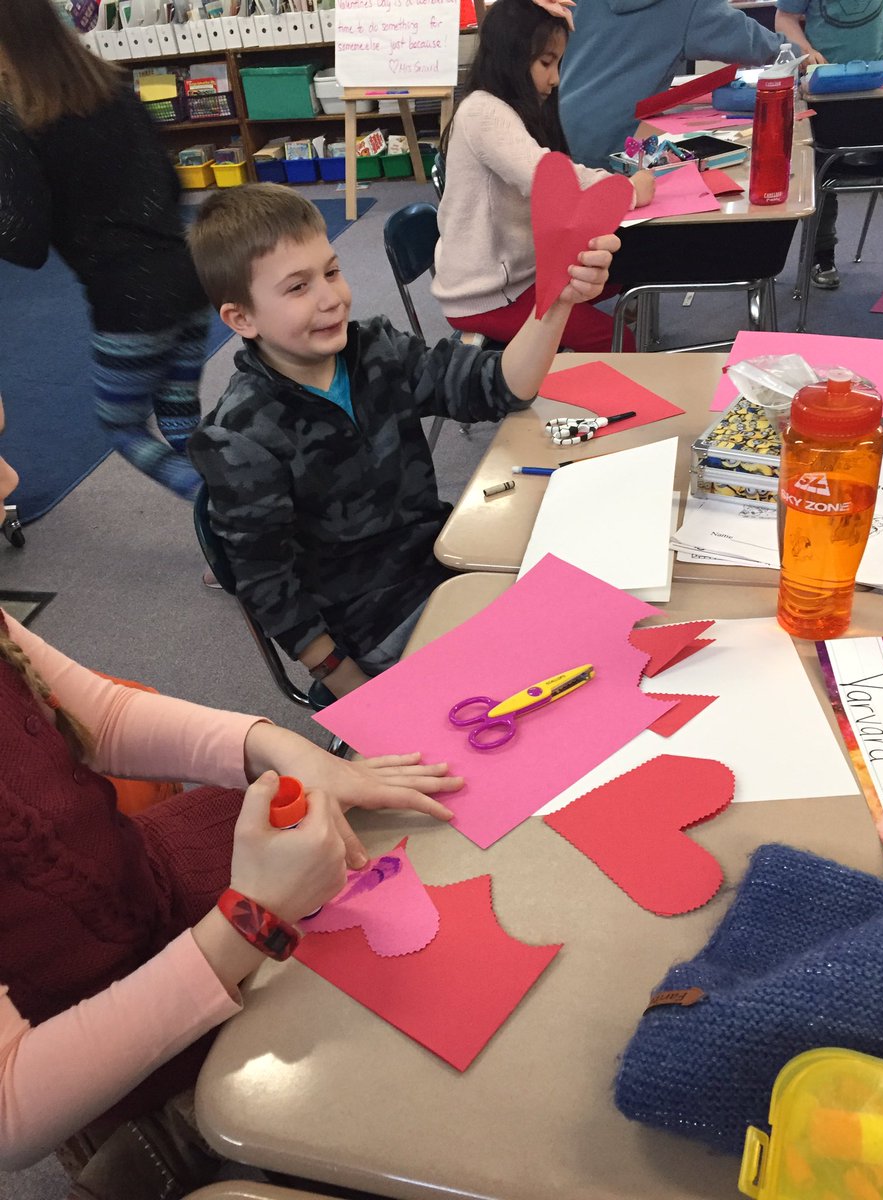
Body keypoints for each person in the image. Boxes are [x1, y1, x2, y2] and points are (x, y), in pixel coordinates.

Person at [0, 576, 462, 1197]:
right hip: (95, 1034)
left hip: (153, 882)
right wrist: (253, 918)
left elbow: (101, 716)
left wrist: (283, 750)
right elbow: (10, 1109)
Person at [187, 184, 621, 700]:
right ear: (242, 318)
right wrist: (353, 689)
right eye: (298, 287)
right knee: (567, 669)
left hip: (446, 563)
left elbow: (498, 386)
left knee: (599, 607)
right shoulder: (239, 436)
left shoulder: (375, 349)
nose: (330, 297)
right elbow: (268, 587)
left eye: (331, 272)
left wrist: (557, 300)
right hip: (376, 623)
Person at [0, 0, 210, 501]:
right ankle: (244, 516)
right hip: (190, 275)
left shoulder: (17, 117)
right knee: (181, 421)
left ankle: (235, 508)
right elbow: (170, 184)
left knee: (124, 427)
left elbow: (24, 241)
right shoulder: (112, 87)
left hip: (128, 300)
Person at [431, 0, 654, 352]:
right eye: (546, 63)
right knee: (618, 343)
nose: (556, 78)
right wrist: (628, 189)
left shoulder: (506, 108)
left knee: (623, 268)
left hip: (517, 275)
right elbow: (551, 181)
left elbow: (554, 171)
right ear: (511, 56)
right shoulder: (483, 112)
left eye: (558, 63)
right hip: (490, 295)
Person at [557, 0, 787, 167]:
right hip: (620, 143)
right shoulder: (687, 5)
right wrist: (791, 51)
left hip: (559, 127)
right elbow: (752, 43)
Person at [776, 0, 883, 289]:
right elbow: (785, 17)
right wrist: (806, 51)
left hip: (882, 81)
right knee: (821, 168)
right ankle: (822, 253)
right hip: (827, 87)